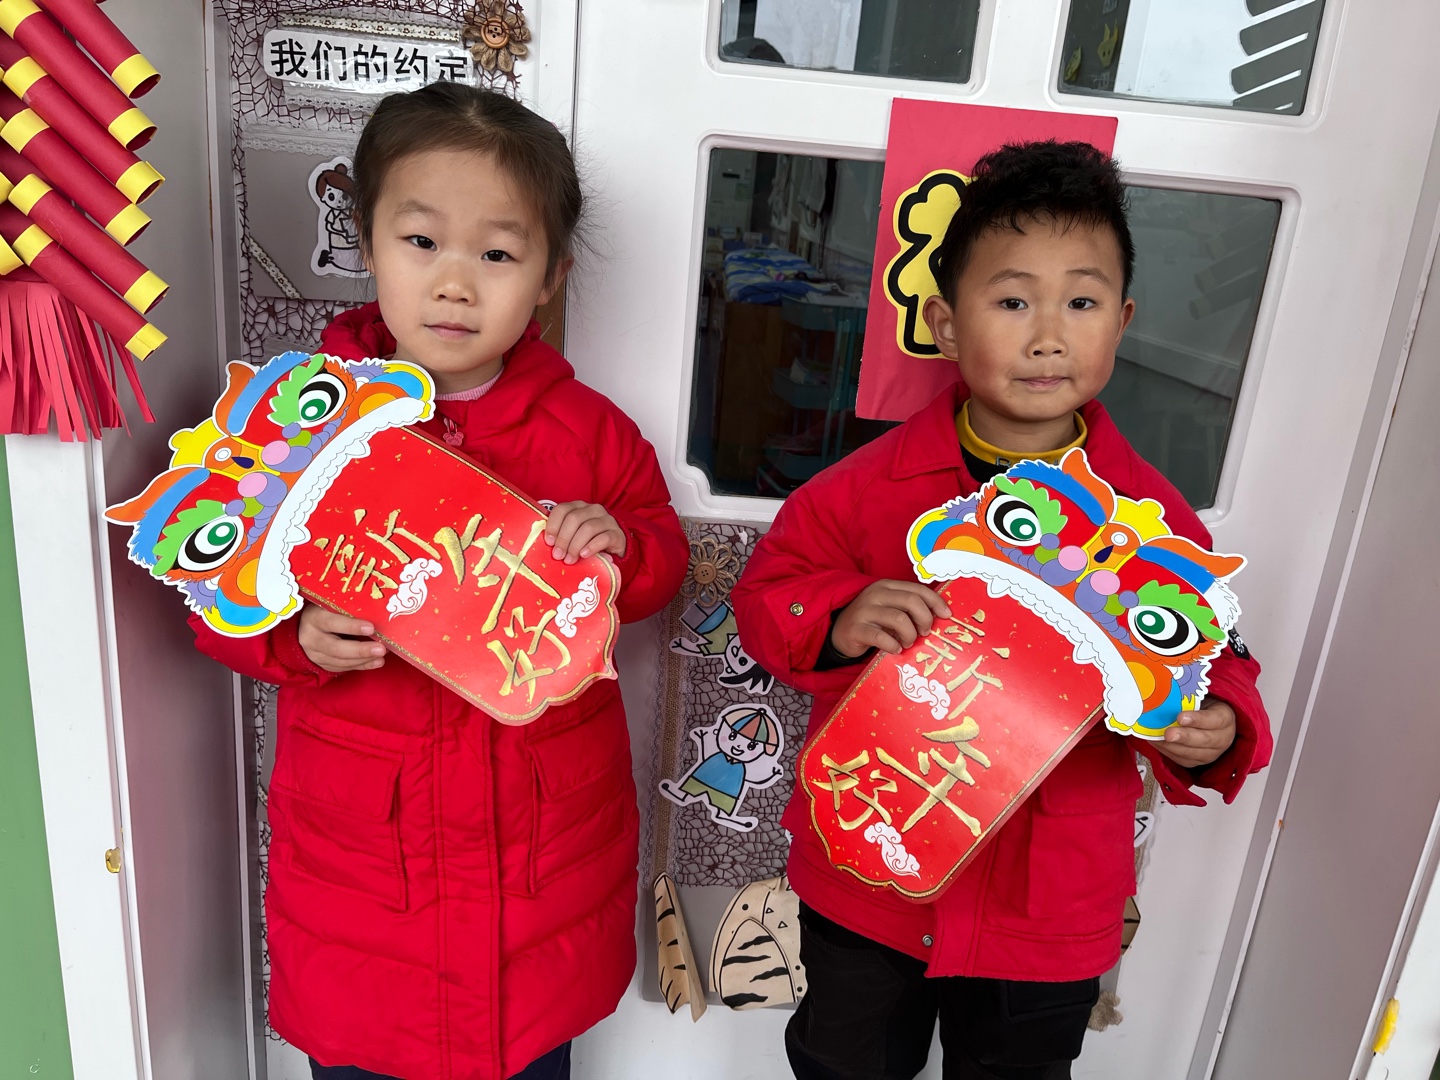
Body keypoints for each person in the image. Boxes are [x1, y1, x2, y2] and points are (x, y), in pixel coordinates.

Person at [731, 141, 1273, 1080]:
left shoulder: (1154, 523)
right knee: (842, 1063)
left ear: (1123, 321)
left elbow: (1219, 659)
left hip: (1049, 907)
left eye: (1082, 302)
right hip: (872, 876)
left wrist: (1220, 724)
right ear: (945, 324)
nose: (1048, 335)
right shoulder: (865, 488)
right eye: (1014, 301)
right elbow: (767, 594)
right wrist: (840, 614)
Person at [190, 82, 688, 1080]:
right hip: (369, 871)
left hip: (540, 865)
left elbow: (659, 562)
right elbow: (215, 589)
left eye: (498, 255)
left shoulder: (590, 433)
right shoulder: (296, 426)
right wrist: (292, 636)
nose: (455, 284)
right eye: (421, 242)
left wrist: (621, 550)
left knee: (527, 1054)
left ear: (549, 277)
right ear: (367, 244)